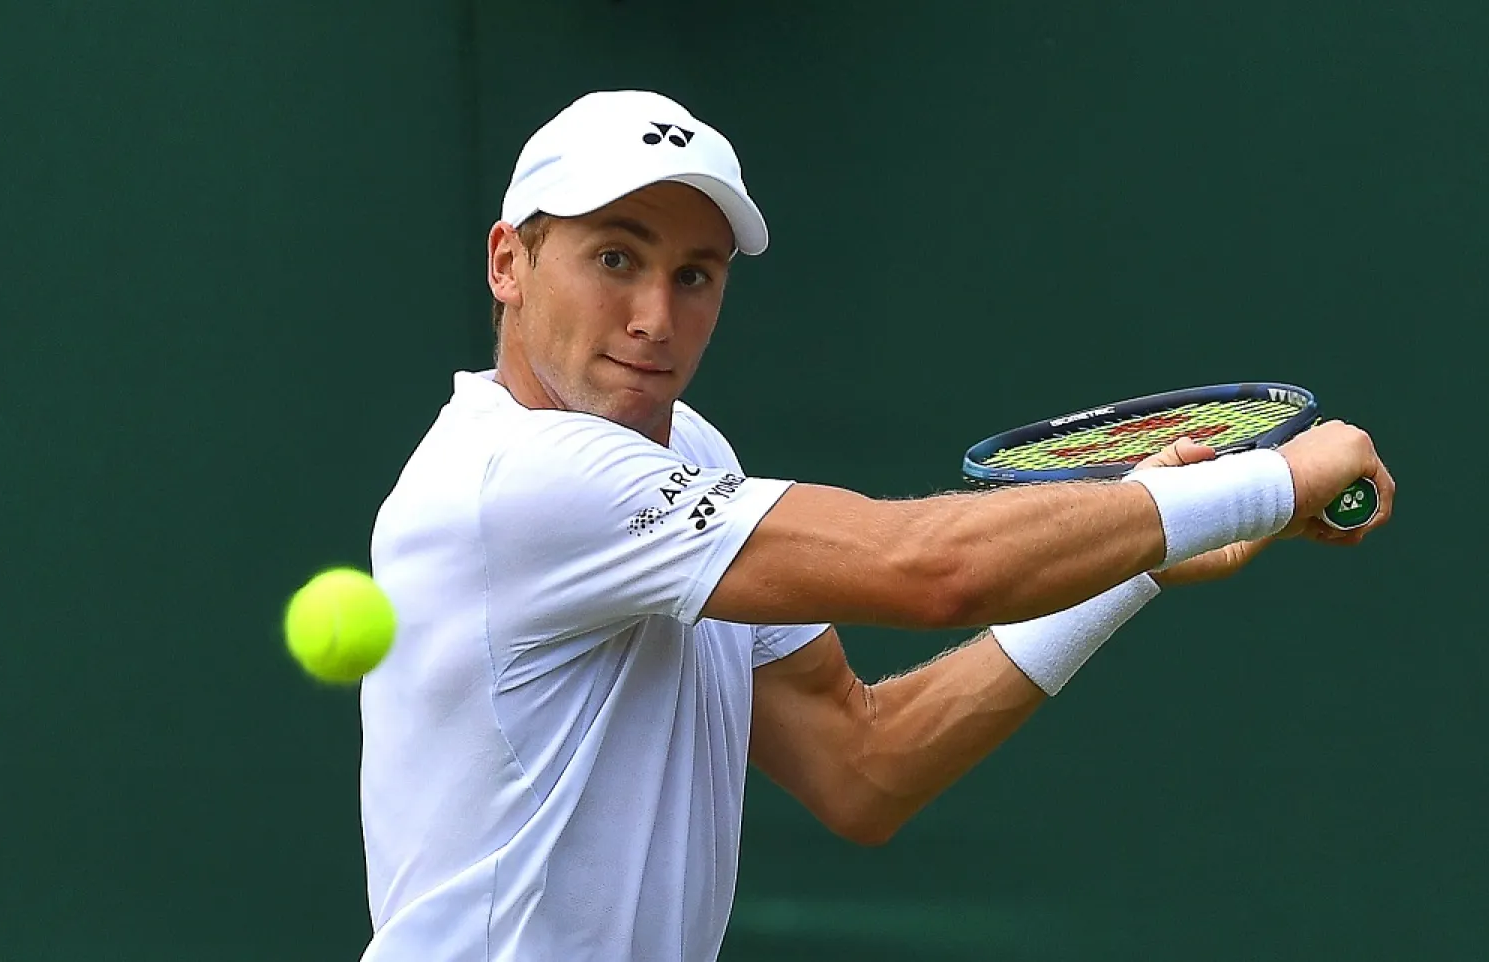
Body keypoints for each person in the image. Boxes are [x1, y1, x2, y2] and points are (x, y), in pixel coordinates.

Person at [358, 90, 1394, 962]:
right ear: (509, 262)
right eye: (614, 258)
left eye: (693, 274)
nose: (653, 317)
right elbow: (930, 569)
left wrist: (1138, 565)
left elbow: (864, 764)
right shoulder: (518, 477)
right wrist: (1275, 478)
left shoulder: (693, 461)